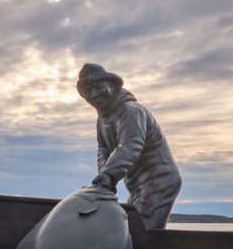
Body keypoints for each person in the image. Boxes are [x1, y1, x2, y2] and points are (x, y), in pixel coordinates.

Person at [76, 63, 182, 230]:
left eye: (99, 87)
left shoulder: (131, 111)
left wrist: (109, 175)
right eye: (87, 91)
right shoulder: (103, 120)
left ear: (112, 86)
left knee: (142, 231)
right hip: (136, 185)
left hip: (159, 180)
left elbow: (130, 144)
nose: (94, 94)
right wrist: (103, 181)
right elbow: (103, 149)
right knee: (129, 227)